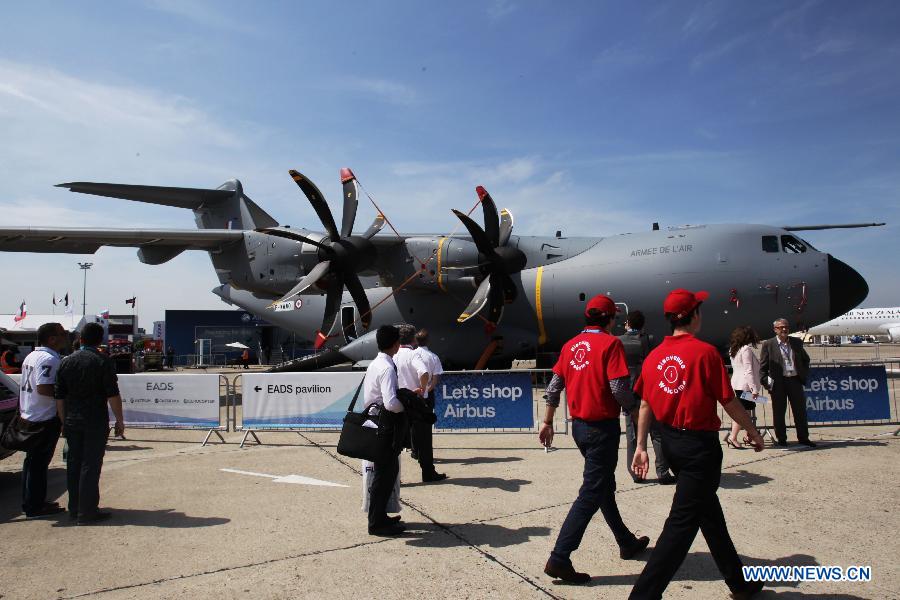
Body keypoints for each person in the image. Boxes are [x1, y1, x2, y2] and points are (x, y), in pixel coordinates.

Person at [629, 289, 765, 600]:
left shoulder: (654, 357)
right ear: (694, 315)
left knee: (709, 514)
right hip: (699, 448)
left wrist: (640, 446)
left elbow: (646, 404)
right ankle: (643, 595)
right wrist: (753, 431)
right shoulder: (705, 354)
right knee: (681, 526)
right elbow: (728, 401)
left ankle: (738, 582)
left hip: (671, 443)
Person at [539, 294, 650, 584]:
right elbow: (617, 387)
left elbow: (553, 386)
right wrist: (635, 408)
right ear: (610, 319)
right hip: (602, 428)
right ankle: (560, 557)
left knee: (603, 486)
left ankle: (625, 541)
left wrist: (548, 420)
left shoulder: (570, 345)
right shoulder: (610, 344)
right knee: (592, 490)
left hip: (579, 428)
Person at [55, 322, 125, 525]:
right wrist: (119, 420)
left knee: (74, 463)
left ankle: (75, 507)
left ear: (81, 340)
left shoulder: (66, 362)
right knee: (90, 465)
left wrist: (63, 421)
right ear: (99, 340)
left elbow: (59, 396)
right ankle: (87, 511)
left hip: (72, 420)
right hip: (95, 419)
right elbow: (112, 394)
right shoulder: (103, 361)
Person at [619, 310, 675, 485]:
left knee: (632, 436)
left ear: (627, 323)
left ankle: (636, 472)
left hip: (629, 394)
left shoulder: (618, 342)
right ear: (642, 325)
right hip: (649, 392)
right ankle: (662, 472)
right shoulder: (650, 340)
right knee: (657, 434)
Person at [19, 323, 68, 518]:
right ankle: (35, 505)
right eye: (62, 334)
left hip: (30, 414)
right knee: (38, 464)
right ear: (52, 339)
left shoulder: (32, 356)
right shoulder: (49, 359)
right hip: (43, 417)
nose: (65, 337)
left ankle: (31, 501)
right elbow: (44, 388)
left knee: (31, 463)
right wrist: (64, 400)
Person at [362, 325, 406, 536]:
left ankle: (379, 517)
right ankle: (377, 523)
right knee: (385, 474)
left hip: (375, 423)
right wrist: (405, 406)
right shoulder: (388, 368)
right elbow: (390, 403)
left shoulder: (376, 363)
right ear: (396, 344)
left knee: (385, 473)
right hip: (384, 426)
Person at [394, 325, 446, 482]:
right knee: (424, 438)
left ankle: (394, 476)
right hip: (415, 401)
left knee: (396, 441)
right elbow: (423, 372)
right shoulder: (413, 355)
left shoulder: (394, 356)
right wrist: (423, 390)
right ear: (413, 339)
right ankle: (428, 472)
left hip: (398, 401)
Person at [759, 318, 815, 447]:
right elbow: (763, 368)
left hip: (794, 381)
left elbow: (806, 360)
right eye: (781, 327)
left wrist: (802, 374)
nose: (784, 329)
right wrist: (768, 384)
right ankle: (782, 439)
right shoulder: (769, 344)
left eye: (786, 327)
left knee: (800, 411)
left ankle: (803, 437)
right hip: (778, 383)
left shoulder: (796, 342)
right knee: (779, 412)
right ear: (775, 330)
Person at [413, 328, 447, 482]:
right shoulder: (433, 357)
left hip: (411, 394)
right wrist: (427, 389)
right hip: (425, 394)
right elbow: (436, 376)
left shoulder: (411, 355)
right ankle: (425, 464)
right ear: (428, 341)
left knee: (412, 425)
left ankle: (415, 450)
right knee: (426, 431)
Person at [726, 326, 763, 449]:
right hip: (746, 385)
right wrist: (754, 389)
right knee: (743, 413)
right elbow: (748, 370)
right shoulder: (746, 349)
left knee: (743, 411)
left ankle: (749, 436)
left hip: (737, 383)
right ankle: (733, 436)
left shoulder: (733, 349)